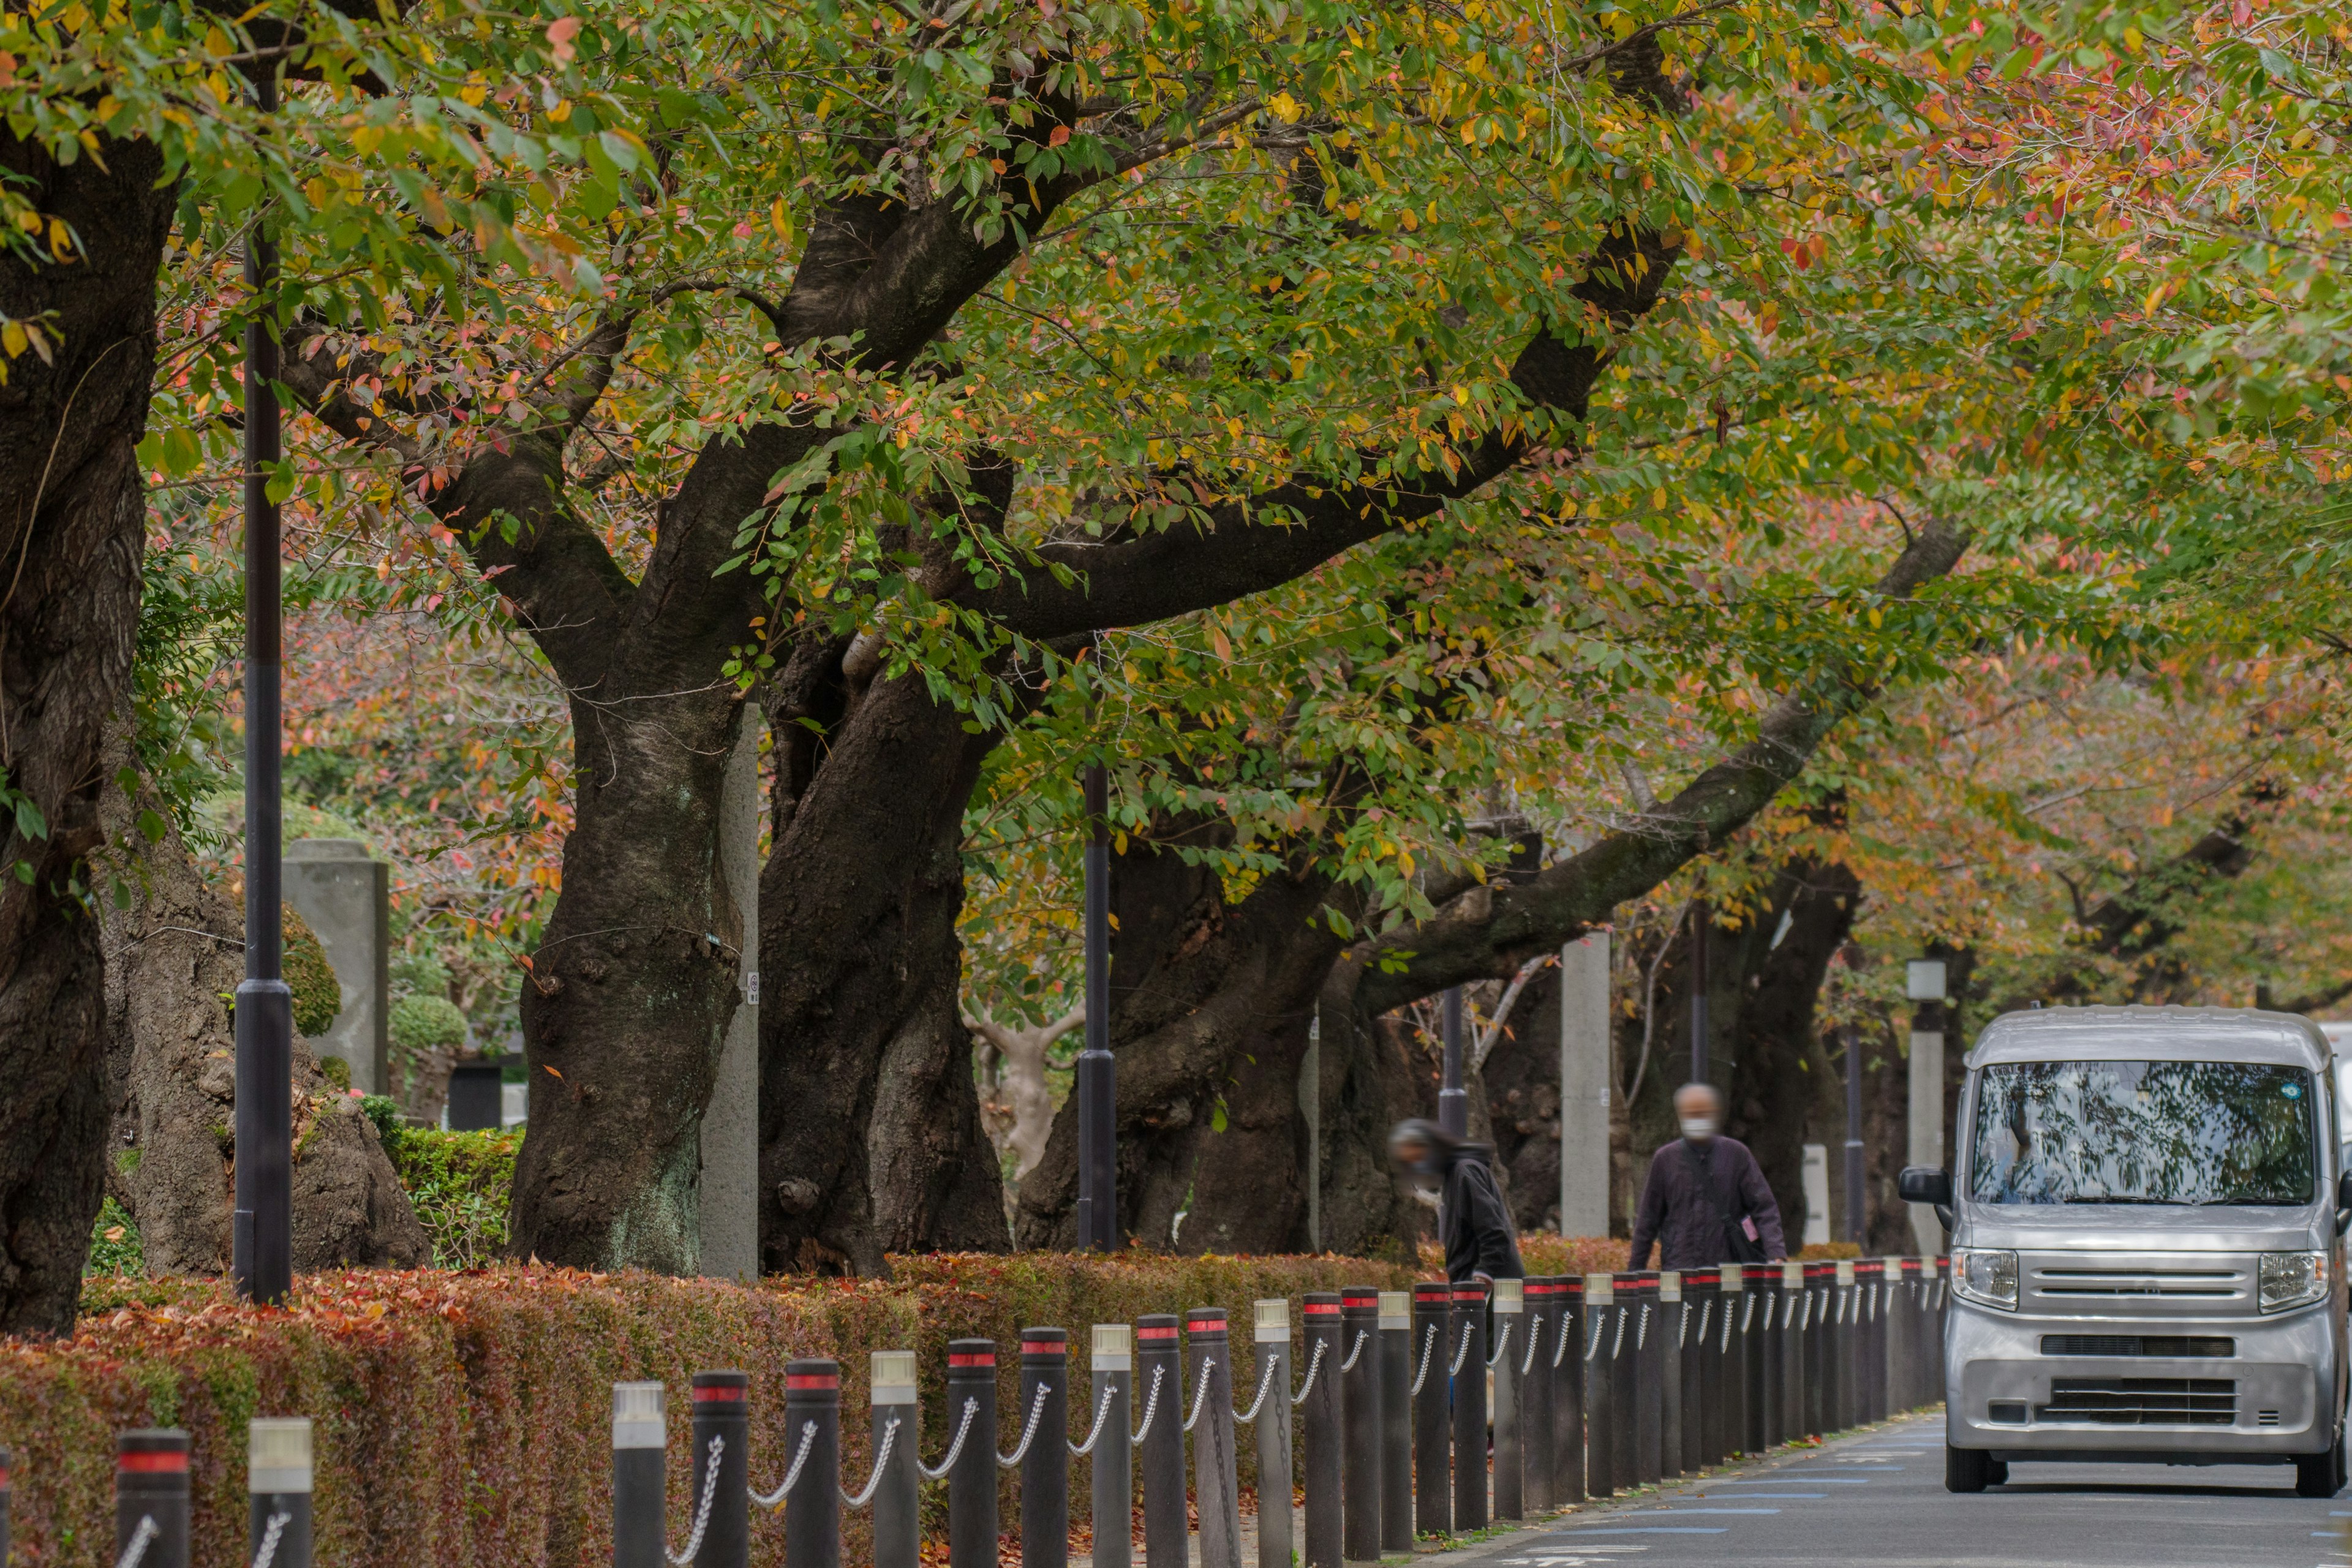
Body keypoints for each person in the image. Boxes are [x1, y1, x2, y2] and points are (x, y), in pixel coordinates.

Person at [1627, 1083, 1787, 1270]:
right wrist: (1634, 1272)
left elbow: (1764, 1207)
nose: (1696, 1119)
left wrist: (1776, 1252)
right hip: (1681, 1270)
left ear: (1714, 1113)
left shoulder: (1736, 1155)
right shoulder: (1665, 1160)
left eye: (1702, 1112)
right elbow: (1648, 1220)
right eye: (1690, 1113)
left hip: (1730, 1270)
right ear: (1680, 1115)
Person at [1389, 1118, 1524, 1283]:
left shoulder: (1464, 1173)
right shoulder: (1453, 1177)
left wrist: (1484, 1273)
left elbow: (1493, 1231)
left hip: (1491, 1289)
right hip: (1476, 1288)